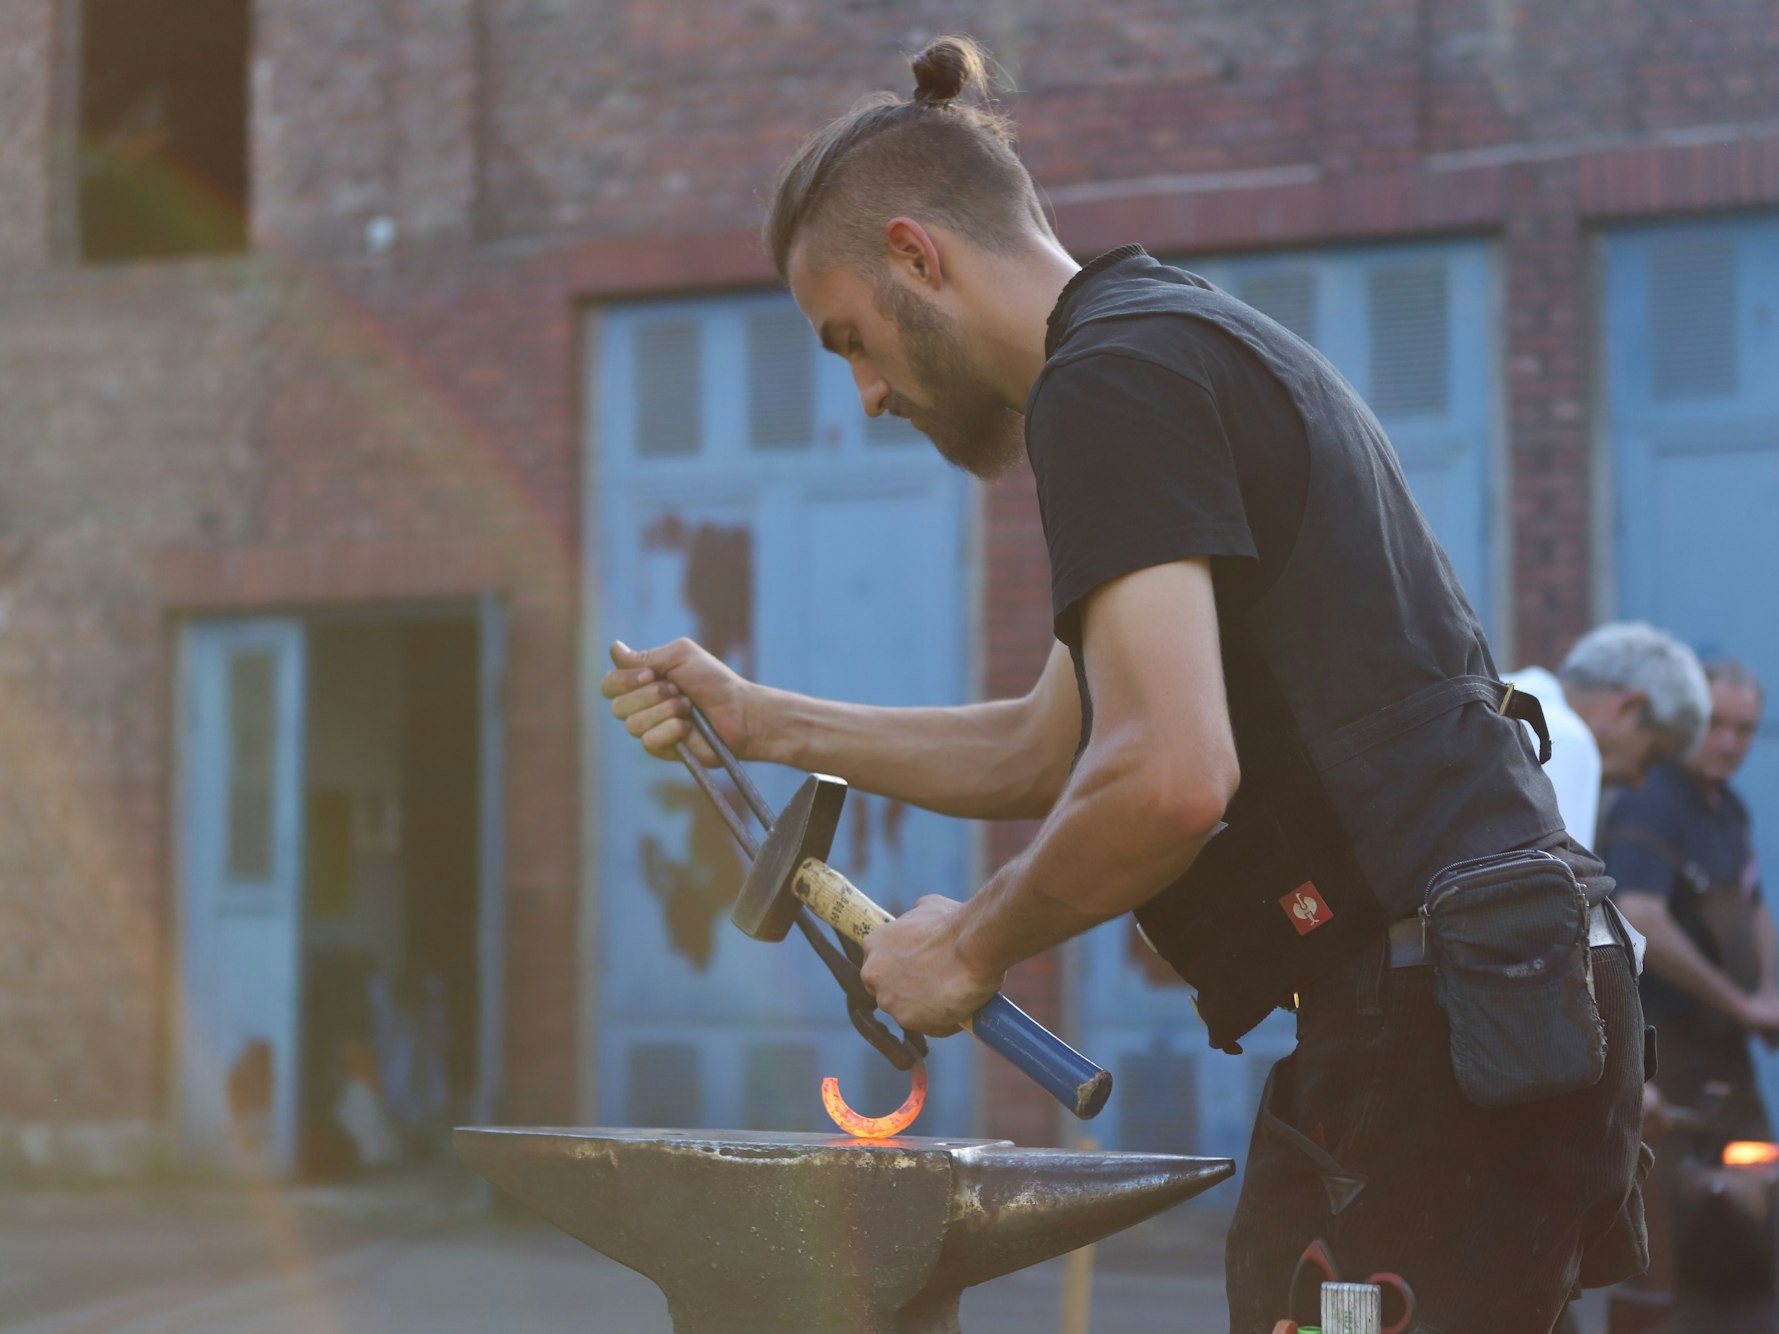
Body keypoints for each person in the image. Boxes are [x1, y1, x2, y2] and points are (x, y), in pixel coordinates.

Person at [601, 36, 1647, 1331]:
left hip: (1440, 1016)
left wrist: (968, 947)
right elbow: (1046, 751)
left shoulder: (1110, 383)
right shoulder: (1162, 345)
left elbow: (1164, 776)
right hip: (1479, 996)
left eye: (850, 341)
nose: (866, 393)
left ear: (917, 255)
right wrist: (760, 719)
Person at [1605, 658, 1778, 1134]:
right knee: (1677, 1198)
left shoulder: (1730, 809)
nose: (1728, 743)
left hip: (1723, 1049)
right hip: (1660, 1048)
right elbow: (1640, 916)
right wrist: (1742, 1005)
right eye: (1714, 724)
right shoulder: (1651, 796)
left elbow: (1753, 907)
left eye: (1744, 730)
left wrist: (1768, 993)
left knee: (1756, 1185)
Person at [1507, 621, 1710, 848]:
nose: (1637, 783)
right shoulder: (1566, 741)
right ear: (1630, 707)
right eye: (1650, 759)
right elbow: (1552, 877)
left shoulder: (1502, 699)